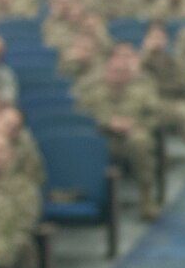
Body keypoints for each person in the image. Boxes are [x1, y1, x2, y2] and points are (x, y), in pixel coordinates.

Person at [72, 45, 170, 219]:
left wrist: (135, 124)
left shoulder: (141, 92)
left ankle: (146, 197)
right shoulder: (93, 92)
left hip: (130, 137)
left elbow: (156, 116)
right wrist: (107, 122)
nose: (118, 75)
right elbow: (80, 117)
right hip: (100, 137)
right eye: (114, 71)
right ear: (107, 71)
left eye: (123, 72)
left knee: (140, 141)